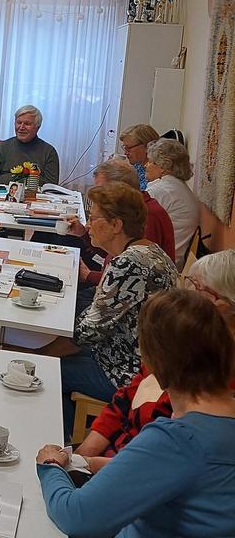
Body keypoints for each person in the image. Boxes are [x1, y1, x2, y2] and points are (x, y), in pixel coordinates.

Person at [37, 289, 235, 538]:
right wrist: (79, 466)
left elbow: (77, 518)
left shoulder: (179, 439)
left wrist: (49, 466)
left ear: (154, 360)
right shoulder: (217, 420)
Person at [71, 253, 235, 472]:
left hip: (133, 473)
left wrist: (83, 464)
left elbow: (162, 464)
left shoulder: (219, 377)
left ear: (226, 305)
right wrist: (83, 454)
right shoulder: (181, 340)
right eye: (189, 283)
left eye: (197, 287)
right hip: (116, 458)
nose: (187, 294)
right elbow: (125, 398)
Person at [41, 183, 179, 437]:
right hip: (142, 362)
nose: (88, 225)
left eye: (93, 219)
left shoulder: (128, 264)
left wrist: (39, 355)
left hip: (127, 373)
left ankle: (63, 440)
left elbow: (87, 333)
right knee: (53, 355)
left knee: (43, 373)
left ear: (116, 225)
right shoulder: (151, 251)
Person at [68, 160, 175, 307]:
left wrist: (89, 276)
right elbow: (114, 251)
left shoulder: (147, 216)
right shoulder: (135, 212)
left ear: (120, 189)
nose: (100, 196)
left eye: (103, 190)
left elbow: (129, 276)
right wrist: (83, 234)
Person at [145, 137, 200, 263]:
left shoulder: (162, 190)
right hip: (172, 258)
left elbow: (136, 226)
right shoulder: (176, 187)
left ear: (164, 167)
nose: (145, 166)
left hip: (162, 263)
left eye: (150, 162)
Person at [0, 104, 60, 185]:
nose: (21, 127)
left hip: (34, 193)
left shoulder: (49, 152)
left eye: (27, 124)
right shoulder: (2, 148)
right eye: (19, 123)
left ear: (37, 127)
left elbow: (51, 186)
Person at [119, 123, 159, 190]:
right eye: (124, 147)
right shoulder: (137, 166)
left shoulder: (156, 174)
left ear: (147, 146)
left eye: (129, 148)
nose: (125, 153)